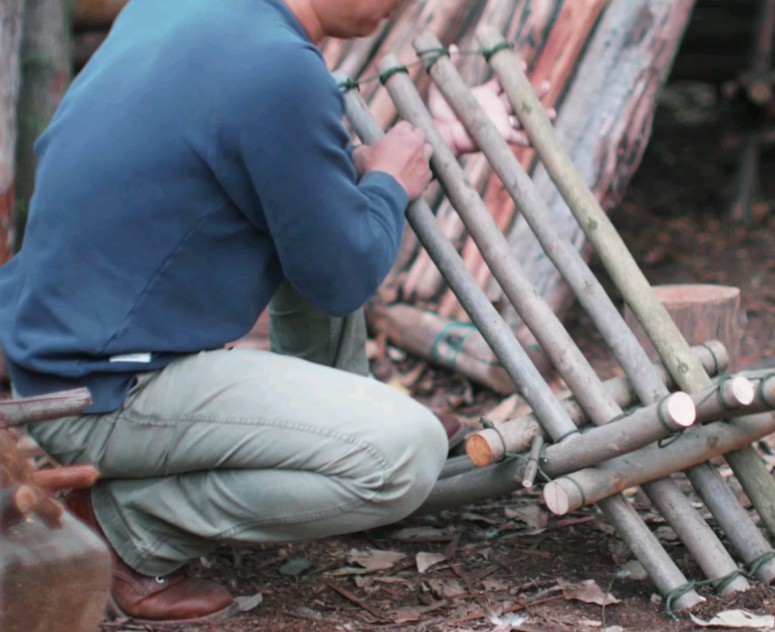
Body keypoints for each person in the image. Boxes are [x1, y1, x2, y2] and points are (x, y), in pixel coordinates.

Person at [0, 0, 541, 625]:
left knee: (327, 221)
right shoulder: (279, 67)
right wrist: (389, 185)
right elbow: (342, 276)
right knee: (405, 455)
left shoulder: (185, 11)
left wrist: (423, 146)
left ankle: (337, 422)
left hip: (64, 349)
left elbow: (305, 202)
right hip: (105, 393)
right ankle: (126, 531)